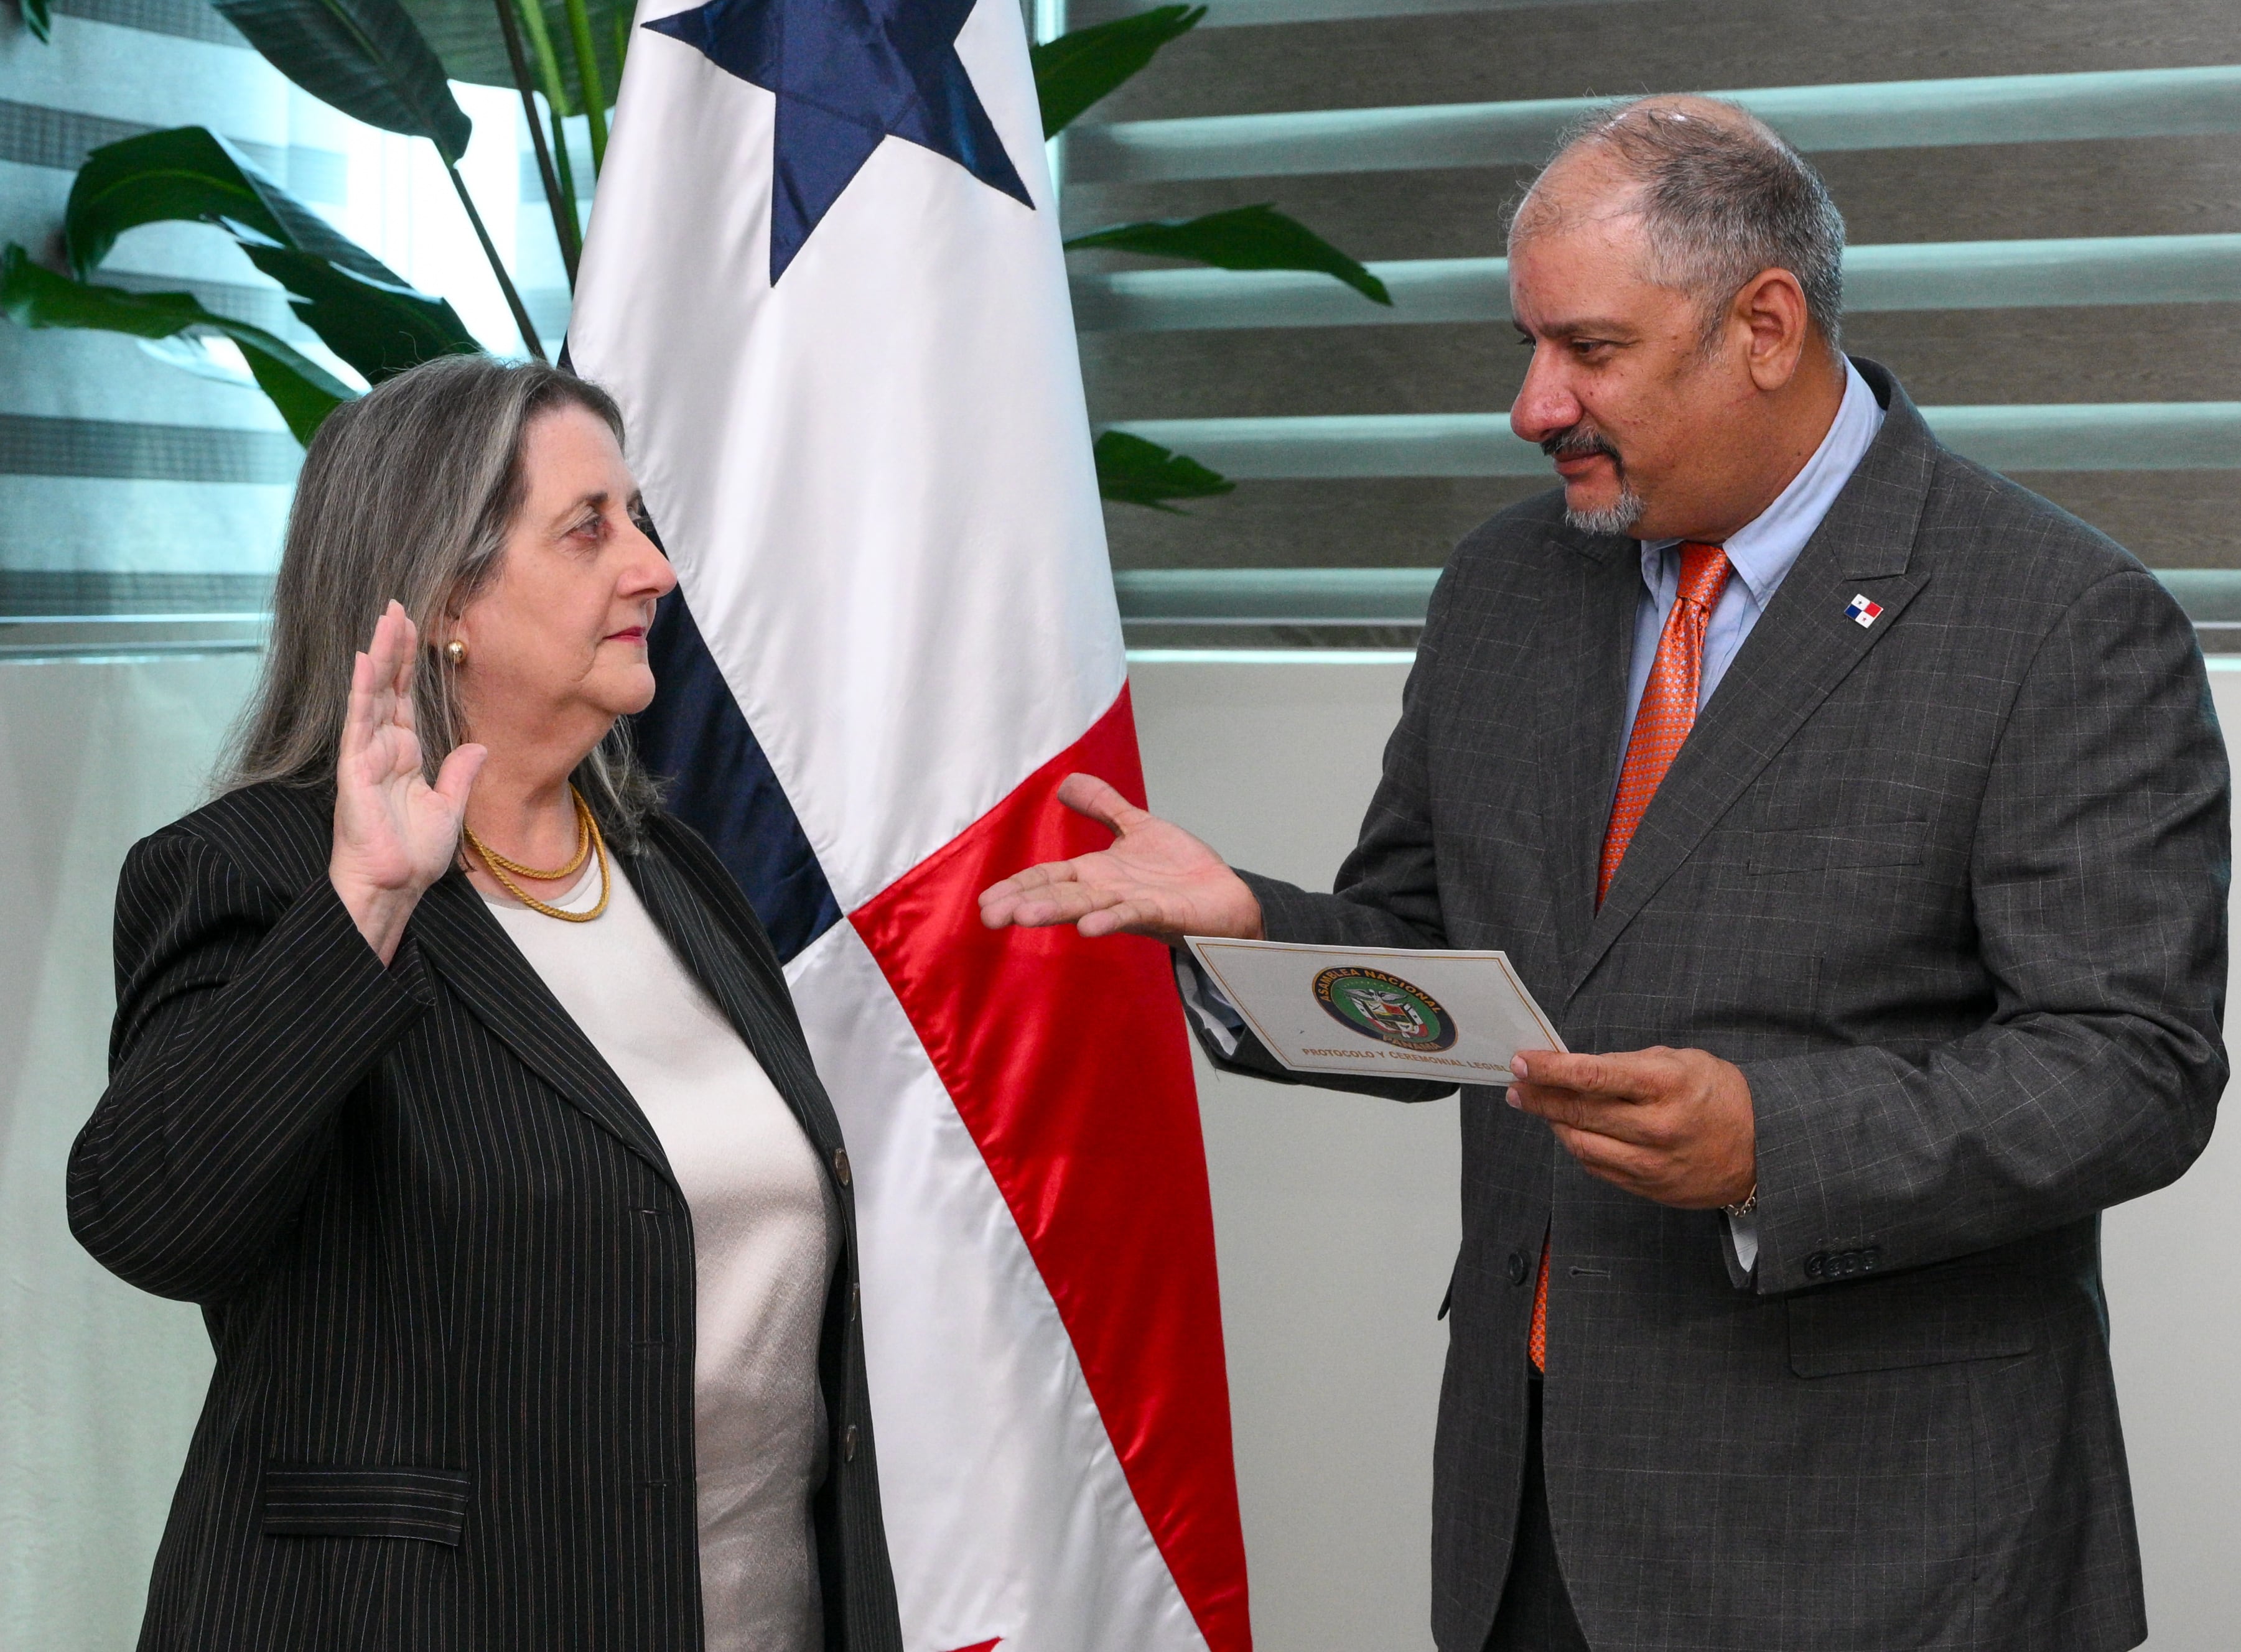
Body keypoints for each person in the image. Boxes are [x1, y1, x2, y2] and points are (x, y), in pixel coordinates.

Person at [981, 97, 2228, 1652]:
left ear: (1764, 326)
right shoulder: (1506, 584)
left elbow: (2131, 1068)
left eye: (1588, 350)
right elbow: (1437, 962)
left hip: (1889, 1551)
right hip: (1535, 1518)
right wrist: (1253, 928)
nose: (1529, 404)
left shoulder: (2059, 621)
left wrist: (1770, 1139)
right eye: (1525, 345)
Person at [68, 356, 901, 1652]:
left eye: (639, 519)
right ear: (448, 592)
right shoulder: (258, 873)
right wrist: (366, 907)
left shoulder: (675, 869)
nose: (652, 569)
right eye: (590, 528)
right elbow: (150, 1216)